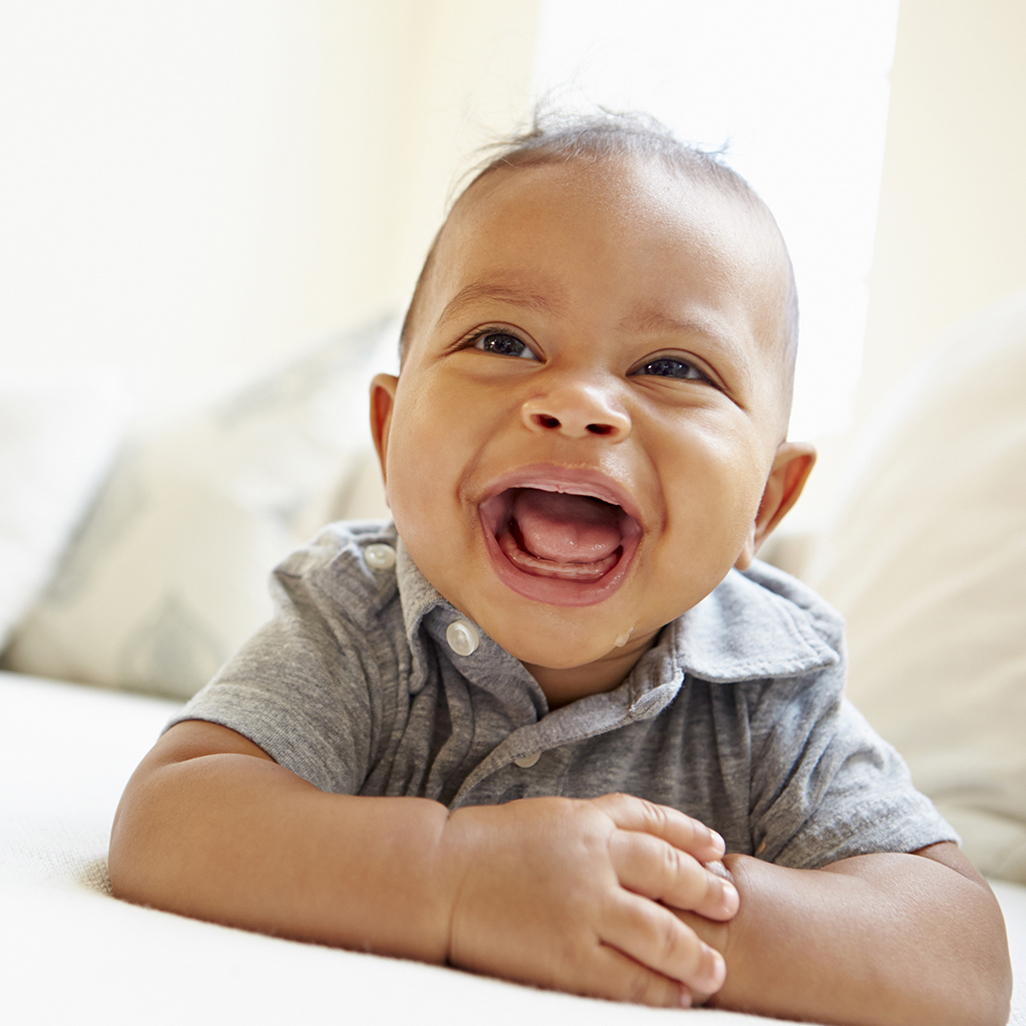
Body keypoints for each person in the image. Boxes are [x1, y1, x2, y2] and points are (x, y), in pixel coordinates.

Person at [109, 112, 1011, 1023]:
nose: (578, 403)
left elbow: (960, 955)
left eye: (671, 365)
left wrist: (645, 915)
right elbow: (173, 820)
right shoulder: (362, 622)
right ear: (387, 441)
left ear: (766, 506)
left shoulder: (769, 689)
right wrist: (456, 878)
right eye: (504, 342)